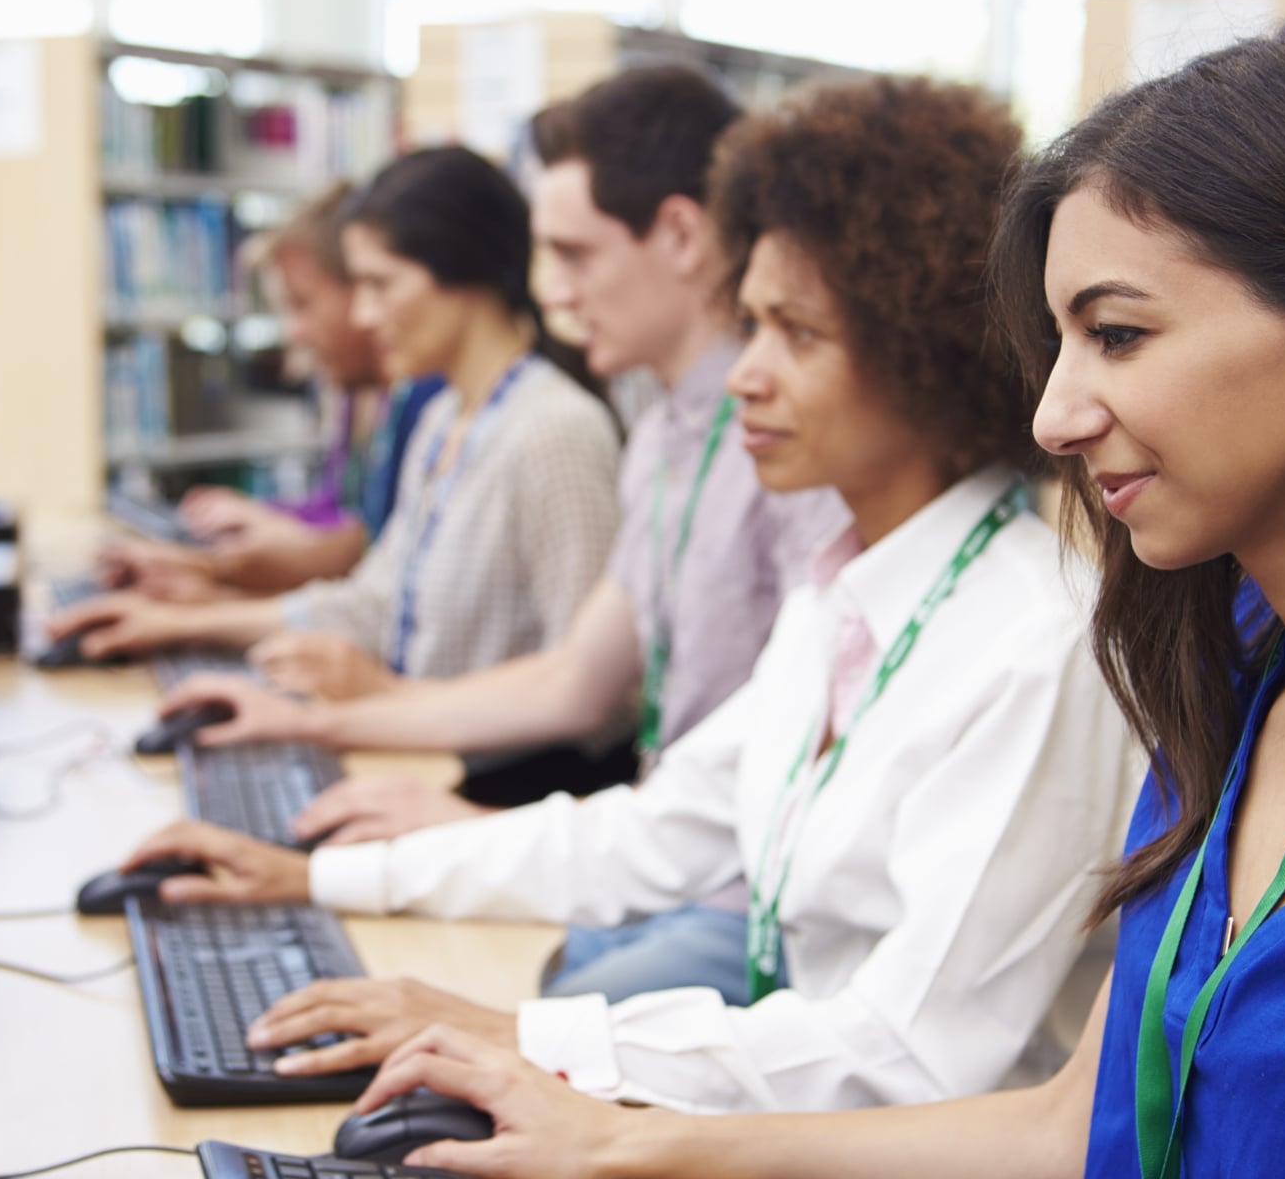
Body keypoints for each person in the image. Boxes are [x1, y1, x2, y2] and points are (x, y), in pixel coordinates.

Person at [352, 6, 1285, 1179]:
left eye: (1120, 335)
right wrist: (619, 1139)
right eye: (1060, 343)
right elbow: (1068, 1126)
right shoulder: (1242, 681)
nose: (1054, 414)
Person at [122, 78, 1139, 1167]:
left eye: (794, 334)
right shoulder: (841, 593)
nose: (744, 374)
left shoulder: (1033, 644)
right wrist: (313, 876)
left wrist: (523, 1037)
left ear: (921, 347)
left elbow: (912, 1052)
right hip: (813, 1113)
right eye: (749, 324)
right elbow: (652, 832)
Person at [156, 63, 849, 1005]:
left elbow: (604, 721)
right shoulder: (662, 433)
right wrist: (318, 721)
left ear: (682, 235)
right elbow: (577, 671)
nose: (556, 292)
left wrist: (463, 819)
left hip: (727, 893)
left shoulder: (792, 450)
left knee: (463, 1022)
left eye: (574, 254)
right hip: (658, 863)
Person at [45, 148, 622, 695]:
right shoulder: (446, 418)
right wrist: (183, 623)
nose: (365, 314)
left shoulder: (553, 433)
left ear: (462, 271)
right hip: (418, 749)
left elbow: (588, 690)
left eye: (380, 285)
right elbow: (375, 605)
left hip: (495, 782)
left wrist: (384, 698)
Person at [97, 185, 444, 603]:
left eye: (303, 305)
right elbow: (347, 522)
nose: (292, 332)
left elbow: (369, 556)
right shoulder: (357, 395)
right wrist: (268, 524)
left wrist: (218, 581)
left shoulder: (423, 400)